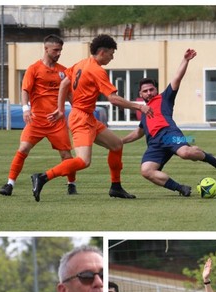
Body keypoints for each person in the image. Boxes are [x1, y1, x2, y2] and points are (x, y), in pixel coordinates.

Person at [31, 34, 153, 202]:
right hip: (81, 119)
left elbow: (65, 83)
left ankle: (115, 187)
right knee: (83, 161)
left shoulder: (82, 63)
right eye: (111, 53)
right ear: (102, 52)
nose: (112, 57)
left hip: (87, 117)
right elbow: (113, 98)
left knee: (116, 145)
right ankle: (43, 177)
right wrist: (139, 106)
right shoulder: (96, 70)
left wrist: (61, 110)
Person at [121, 49, 216, 197]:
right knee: (146, 171)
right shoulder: (144, 113)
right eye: (145, 91)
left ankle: (211, 158)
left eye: (151, 89)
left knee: (185, 153)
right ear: (140, 94)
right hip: (154, 143)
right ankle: (180, 188)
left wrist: (185, 60)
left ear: (156, 89)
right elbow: (138, 133)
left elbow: (177, 78)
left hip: (169, 134)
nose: (149, 92)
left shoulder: (164, 98)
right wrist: (120, 141)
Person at [0, 35, 77, 197]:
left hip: (56, 121)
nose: (58, 53)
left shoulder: (63, 71)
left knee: (66, 155)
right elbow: (25, 90)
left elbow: (70, 95)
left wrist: (78, 109)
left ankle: (71, 184)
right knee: (23, 148)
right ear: (46, 49)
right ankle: (9, 184)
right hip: (37, 119)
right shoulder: (34, 69)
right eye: (55, 50)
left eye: (60, 50)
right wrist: (25, 109)